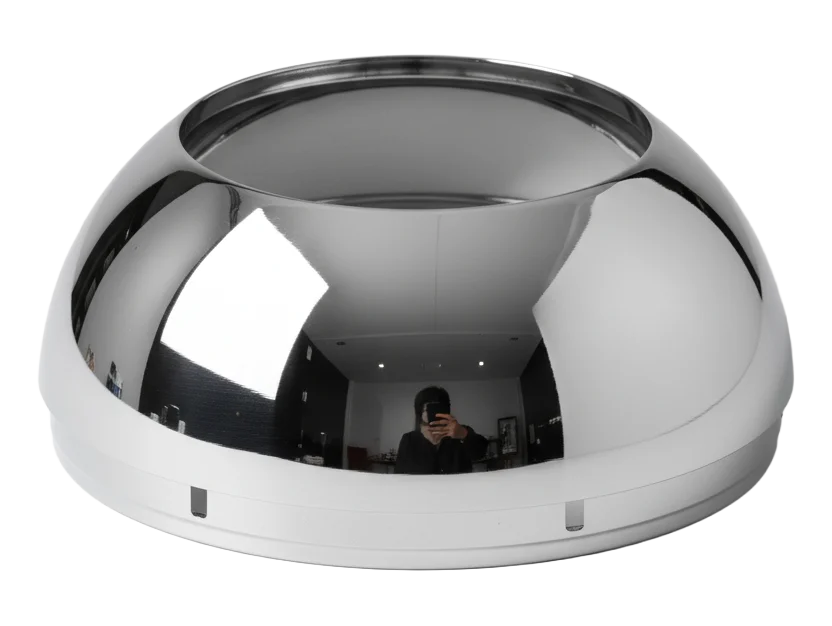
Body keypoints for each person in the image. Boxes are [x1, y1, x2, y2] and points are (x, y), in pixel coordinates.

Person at [394, 386, 488, 475]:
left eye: (437, 407)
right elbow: (399, 474)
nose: (434, 412)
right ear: (420, 412)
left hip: (458, 486)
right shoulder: (409, 439)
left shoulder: (460, 431)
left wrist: (463, 434)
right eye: (429, 408)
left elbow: (481, 453)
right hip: (421, 487)